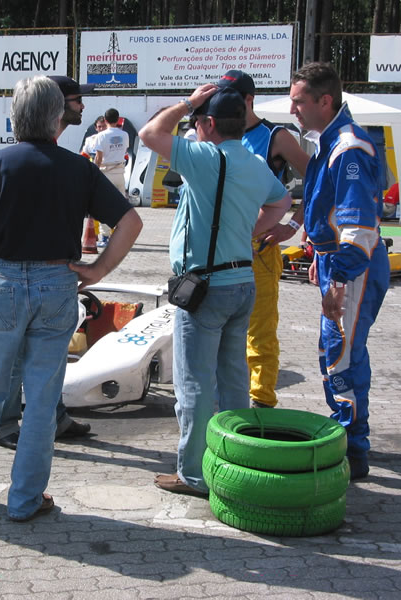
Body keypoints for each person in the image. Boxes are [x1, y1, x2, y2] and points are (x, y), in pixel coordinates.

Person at [0, 76, 142, 521]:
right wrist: (98, 270)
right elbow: (130, 223)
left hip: (3, 284)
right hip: (57, 284)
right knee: (43, 397)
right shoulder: (79, 168)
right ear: (56, 117)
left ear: (15, 115)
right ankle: (25, 498)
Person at [139, 85, 291, 497]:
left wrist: (186, 102)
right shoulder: (257, 163)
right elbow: (283, 201)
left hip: (207, 288)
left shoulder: (205, 158)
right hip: (242, 283)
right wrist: (249, 231)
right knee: (233, 380)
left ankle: (194, 474)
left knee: (195, 385)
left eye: (198, 121)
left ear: (207, 124)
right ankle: (236, 460)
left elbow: (149, 134)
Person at [288, 62, 390, 480]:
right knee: (335, 351)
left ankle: (352, 449)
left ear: (324, 101)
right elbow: (330, 213)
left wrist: (339, 278)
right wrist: (319, 252)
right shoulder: (328, 142)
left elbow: (359, 228)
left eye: (299, 102)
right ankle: (347, 434)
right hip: (336, 261)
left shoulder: (348, 147)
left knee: (342, 356)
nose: (293, 110)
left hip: (354, 267)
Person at [0, 75, 96, 451]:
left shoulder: (65, 155)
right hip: (19, 272)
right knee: (17, 355)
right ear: (55, 105)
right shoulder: (19, 155)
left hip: (48, 274)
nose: (82, 106)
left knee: (48, 357)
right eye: (76, 100)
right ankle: (5, 424)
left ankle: (54, 415)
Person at [217, 69, 310, 410]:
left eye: (230, 98)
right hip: (220, 251)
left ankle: (262, 406)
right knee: (220, 335)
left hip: (258, 250)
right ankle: (227, 404)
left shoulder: (275, 136)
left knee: (259, 335)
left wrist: (293, 225)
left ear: (248, 99)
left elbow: (317, 178)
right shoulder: (215, 132)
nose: (222, 105)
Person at [93, 108, 131, 247]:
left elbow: (99, 157)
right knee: (120, 206)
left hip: (106, 172)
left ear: (105, 119)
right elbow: (124, 152)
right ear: (118, 119)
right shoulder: (125, 135)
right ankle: (120, 236)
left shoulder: (101, 136)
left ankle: (104, 237)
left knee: (104, 206)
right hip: (120, 173)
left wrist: (95, 170)